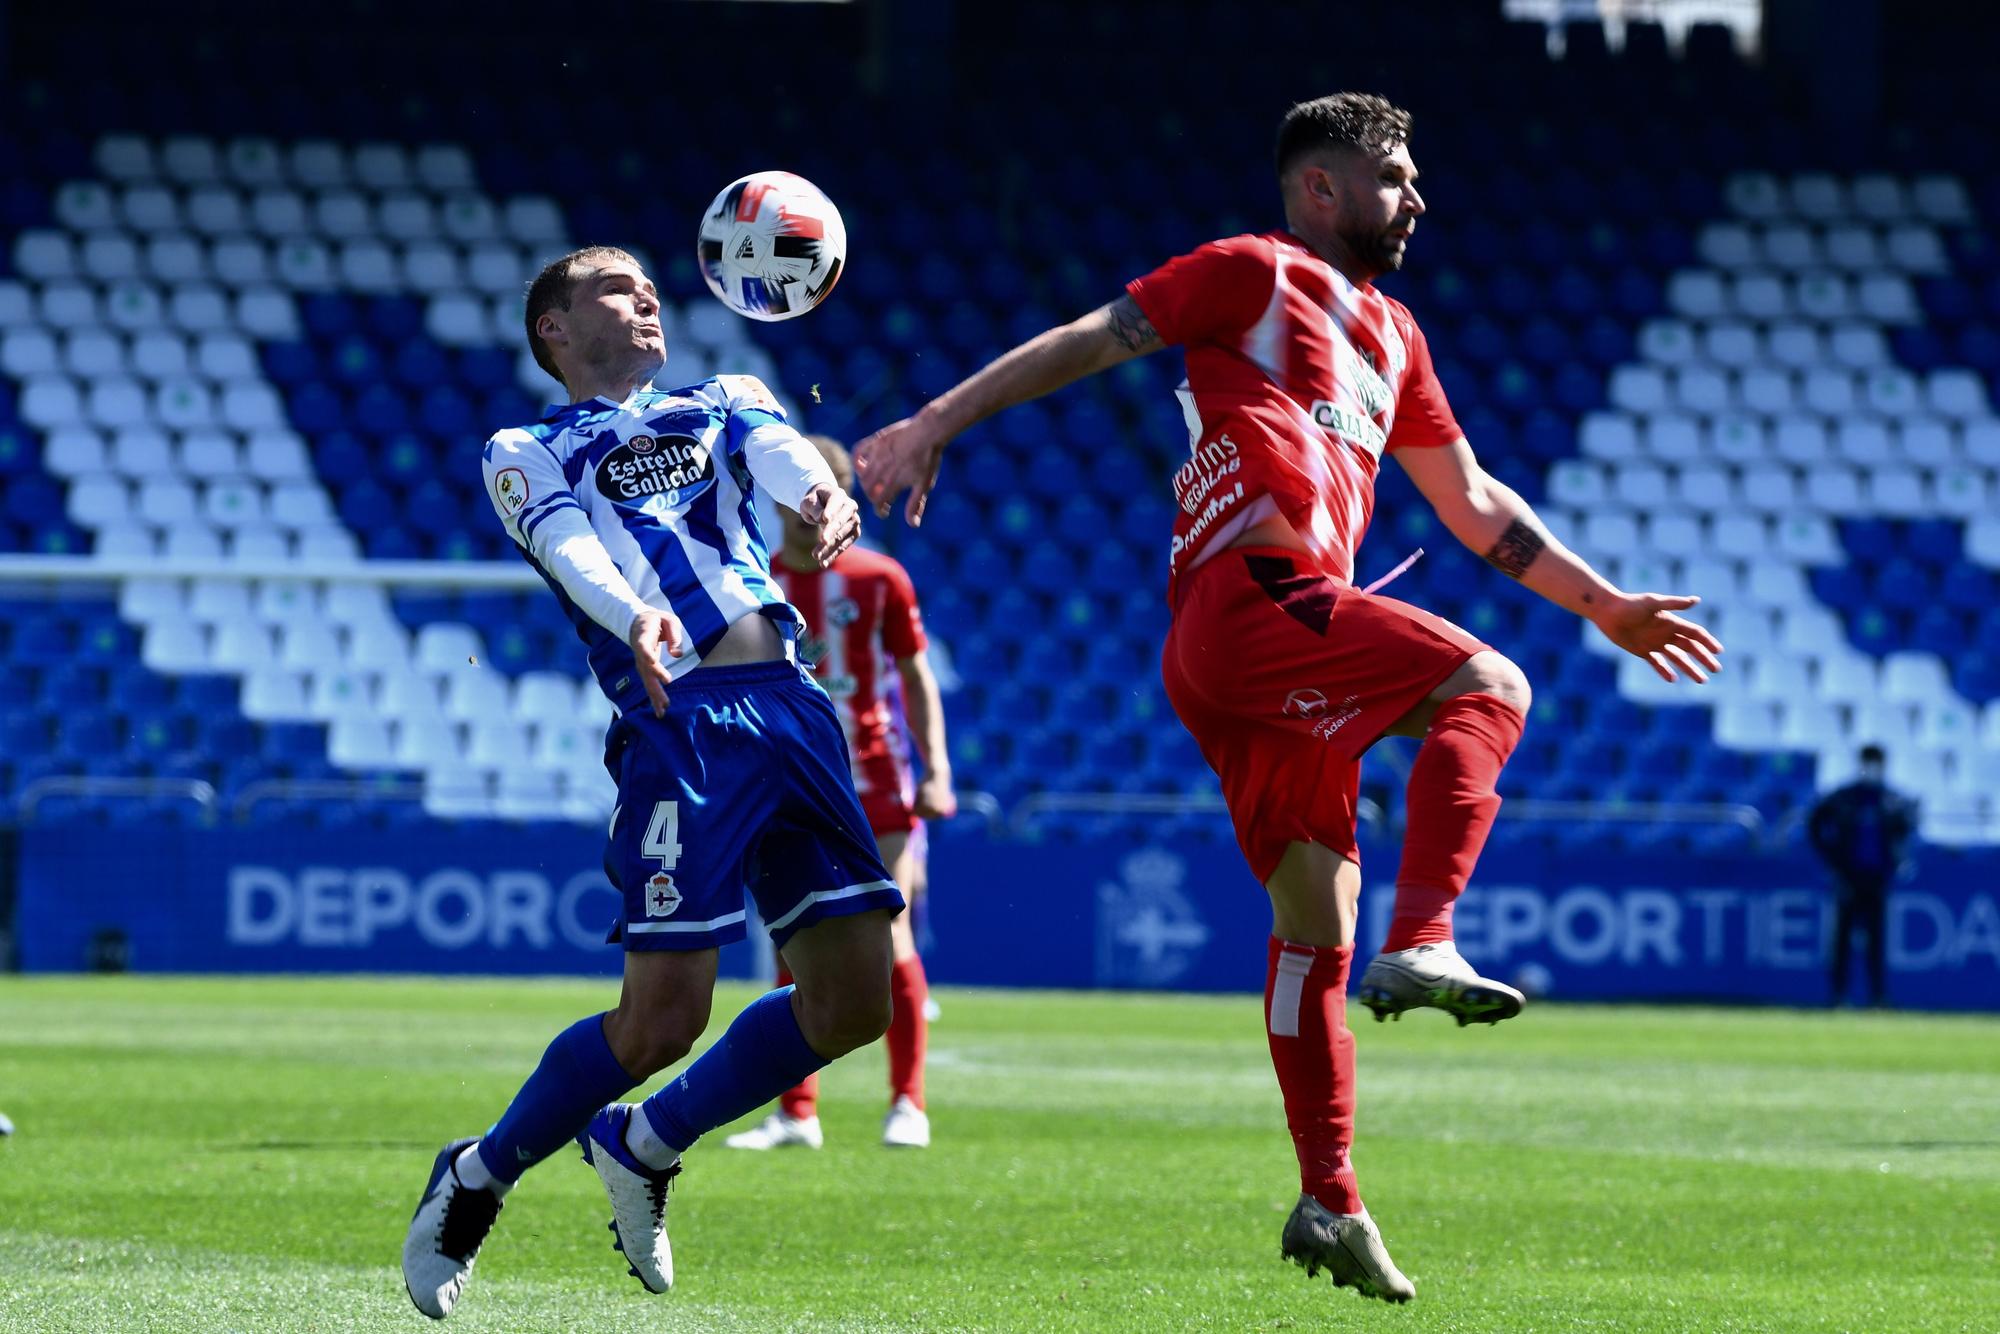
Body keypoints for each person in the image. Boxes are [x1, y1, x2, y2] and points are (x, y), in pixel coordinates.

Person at [855, 93, 1723, 1303]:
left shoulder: (1396, 335)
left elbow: (1468, 499)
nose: (1415, 197)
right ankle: (1423, 939)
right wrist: (935, 419)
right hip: (1256, 597)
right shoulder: (1251, 272)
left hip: (1245, 653)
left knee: (1312, 925)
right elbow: (1092, 338)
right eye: (1394, 177)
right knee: (1489, 681)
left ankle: (1328, 1196)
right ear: (1320, 188)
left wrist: (1604, 603)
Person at [401, 246, 905, 1319]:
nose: (644, 301)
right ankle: (477, 1173)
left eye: (647, 289)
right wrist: (629, 611)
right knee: (661, 1017)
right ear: (553, 328)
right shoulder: (524, 447)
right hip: (678, 720)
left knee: (855, 999)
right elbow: (570, 546)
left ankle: (642, 1140)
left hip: (792, 707)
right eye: (613, 290)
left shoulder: (726, 397)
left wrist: (824, 508)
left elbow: (785, 464)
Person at [727, 434, 956, 1151]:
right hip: (787, 785)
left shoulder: (880, 578)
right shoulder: (750, 585)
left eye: (821, 490)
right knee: (791, 943)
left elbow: (917, 677)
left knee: (891, 935)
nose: (805, 507)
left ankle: (907, 1103)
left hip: (876, 780)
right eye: (795, 492)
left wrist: (937, 768)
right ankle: (797, 1112)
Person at [1808, 744, 1917, 1007]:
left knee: (1877, 941)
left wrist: (1896, 859)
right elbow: (1815, 823)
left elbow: (1903, 831)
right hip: (1848, 876)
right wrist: (1831, 859)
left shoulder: (1891, 801)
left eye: (1876, 763)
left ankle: (1878, 996)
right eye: (1868, 762)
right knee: (1842, 940)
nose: (1871, 769)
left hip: (1877, 879)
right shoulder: (1844, 798)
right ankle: (1838, 995)